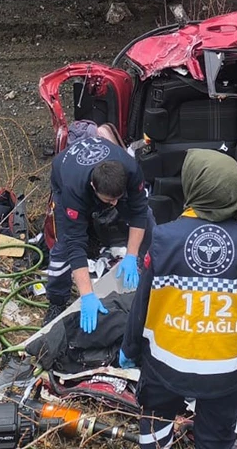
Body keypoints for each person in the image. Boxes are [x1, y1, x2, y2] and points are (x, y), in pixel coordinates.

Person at [121, 149, 237, 449]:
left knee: (155, 425)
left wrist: (130, 347)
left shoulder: (164, 237)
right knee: (216, 438)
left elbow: (143, 303)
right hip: (227, 370)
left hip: (166, 364)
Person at [46, 123, 153, 330]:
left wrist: (131, 255)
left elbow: (139, 211)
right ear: (94, 188)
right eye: (108, 200)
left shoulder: (130, 169)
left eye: (116, 200)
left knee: (148, 220)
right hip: (66, 176)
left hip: (109, 178)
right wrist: (87, 295)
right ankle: (56, 301)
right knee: (63, 247)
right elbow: (75, 244)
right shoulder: (73, 189)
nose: (113, 205)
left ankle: (149, 272)